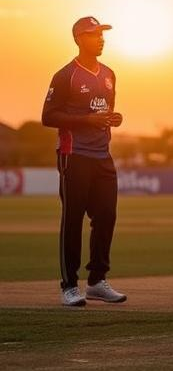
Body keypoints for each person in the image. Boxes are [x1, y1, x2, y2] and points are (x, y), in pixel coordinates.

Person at [42, 16, 127, 307]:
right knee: (73, 219)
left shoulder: (109, 74)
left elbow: (103, 112)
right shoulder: (66, 75)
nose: (100, 39)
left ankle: (96, 282)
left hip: (102, 156)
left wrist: (111, 119)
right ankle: (69, 285)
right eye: (93, 34)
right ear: (79, 39)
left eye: (102, 34)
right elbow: (48, 116)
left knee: (106, 217)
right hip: (73, 155)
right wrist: (86, 120)